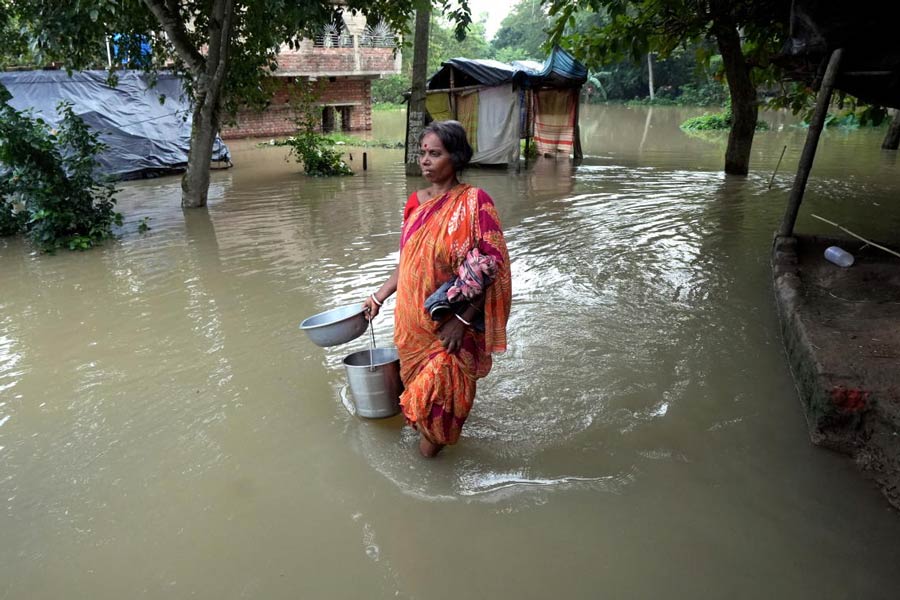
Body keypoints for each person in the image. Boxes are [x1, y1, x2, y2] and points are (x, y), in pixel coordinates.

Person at [363, 120, 512, 458]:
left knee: (438, 409)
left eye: (436, 154)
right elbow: (408, 262)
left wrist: (461, 321)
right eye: (423, 153)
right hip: (412, 323)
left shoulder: (476, 202)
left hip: (450, 327)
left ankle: (424, 473)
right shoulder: (415, 203)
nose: (425, 161)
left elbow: (492, 266)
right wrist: (378, 297)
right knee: (419, 401)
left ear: (456, 158)